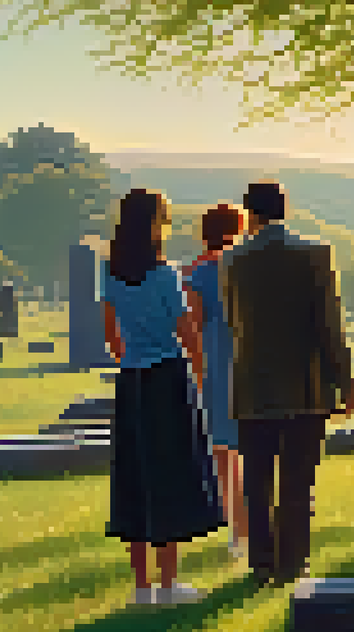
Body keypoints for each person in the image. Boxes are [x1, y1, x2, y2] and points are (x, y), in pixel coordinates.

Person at [218, 181, 354, 587]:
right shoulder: (315, 254)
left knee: (256, 480)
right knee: (298, 480)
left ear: (249, 214)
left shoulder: (232, 260)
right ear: (285, 209)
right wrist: (343, 380)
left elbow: (232, 319)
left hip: (253, 383)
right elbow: (328, 324)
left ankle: (262, 562)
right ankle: (293, 562)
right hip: (304, 383)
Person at [101, 188, 223, 606]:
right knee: (170, 474)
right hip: (167, 378)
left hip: (131, 379)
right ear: (153, 224)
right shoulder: (165, 273)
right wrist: (203, 372)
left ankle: (141, 588)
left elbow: (112, 338)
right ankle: (169, 585)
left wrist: (132, 352)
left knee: (134, 477)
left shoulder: (109, 272)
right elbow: (186, 331)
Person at [182, 203, 250, 559]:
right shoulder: (250, 266)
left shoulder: (197, 273)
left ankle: (239, 534)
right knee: (258, 448)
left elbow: (193, 328)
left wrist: (199, 373)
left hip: (216, 367)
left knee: (225, 454)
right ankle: (261, 525)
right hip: (253, 365)